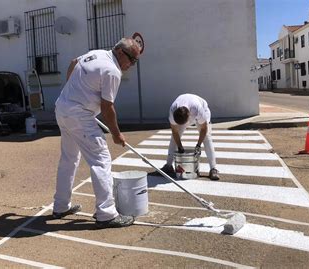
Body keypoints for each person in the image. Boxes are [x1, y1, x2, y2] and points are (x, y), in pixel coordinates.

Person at [52, 37, 142, 229]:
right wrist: (117, 134)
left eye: (135, 61)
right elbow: (108, 107)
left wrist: (73, 89)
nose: (132, 65)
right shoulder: (112, 71)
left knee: (68, 159)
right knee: (101, 159)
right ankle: (106, 213)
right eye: (132, 60)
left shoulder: (98, 53)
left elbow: (74, 62)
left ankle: (60, 206)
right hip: (79, 115)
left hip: (63, 108)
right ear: (120, 53)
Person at [160, 94, 219, 181]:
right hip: (184, 114)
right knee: (174, 138)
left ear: (189, 117)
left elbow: (204, 129)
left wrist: (198, 145)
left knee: (207, 137)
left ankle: (213, 169)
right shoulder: (173, 110)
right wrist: (180, 147)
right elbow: (175, 131)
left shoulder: (197, 109)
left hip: (203, 109)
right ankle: (168, 166)